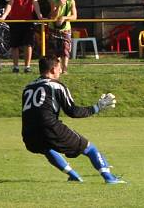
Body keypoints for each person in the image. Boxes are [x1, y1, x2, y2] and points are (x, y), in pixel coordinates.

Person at [21, 56, 124, 184]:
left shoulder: (28, 88)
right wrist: (97, 107)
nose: (60, 71)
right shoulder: (56, 86)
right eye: (59, 68)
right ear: (53, 69)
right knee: (90, 148)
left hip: (28, 134)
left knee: (47, 148)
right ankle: (109, 178)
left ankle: (74, 176)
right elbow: (73, 112)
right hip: (49, 127)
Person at [0, 0, 44, 73]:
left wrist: (39, 15)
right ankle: (16, 67)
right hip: (15, 20)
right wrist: (4, 16)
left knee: (28, 44)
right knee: (15, 45)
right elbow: (10, 3)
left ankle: (27, 67)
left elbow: (35, 2)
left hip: (28, 20)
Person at [47, 0, 77, 74]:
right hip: (53, 28)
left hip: (66, 29)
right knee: (54, 51)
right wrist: (59, 6)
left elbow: (74, 17)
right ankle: (56, 69)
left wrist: (64, 17)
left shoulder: (71, 1)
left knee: (65, 50)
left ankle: (64, 70)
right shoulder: (54, 1)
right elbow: (53, 16)